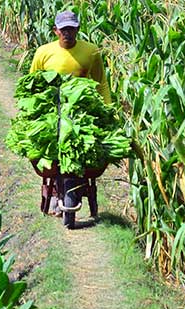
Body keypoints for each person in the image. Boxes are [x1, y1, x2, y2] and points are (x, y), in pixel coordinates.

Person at [29, 11, 112, 219]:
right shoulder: (43, 53)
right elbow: (33, 83)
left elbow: (101, 82)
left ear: (78, 29)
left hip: (81, 112)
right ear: (55, 31)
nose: (67, 33)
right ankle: (59, 189)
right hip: (51, 111)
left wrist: (108, 109)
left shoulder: (91, 52)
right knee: (51, 148)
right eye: (63, 29)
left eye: (71, 28)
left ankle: (72, 187)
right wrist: (31, 111)